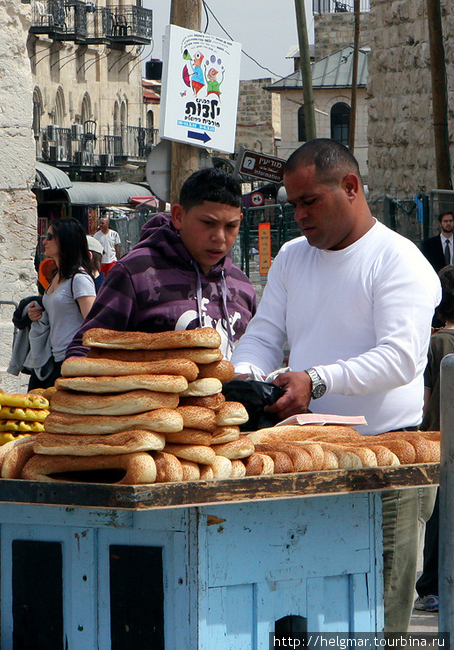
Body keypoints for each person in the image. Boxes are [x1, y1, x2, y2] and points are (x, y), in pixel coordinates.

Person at [229, 138, 441, 634]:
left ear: (350, 187)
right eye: (293, 203)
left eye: (310, 201)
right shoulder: (291, 257)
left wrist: (315, 380)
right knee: (300, 602)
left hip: (386, 462)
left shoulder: (398, 260)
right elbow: (263, 335)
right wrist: (246, 379)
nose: (299, 215)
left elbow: (401, 358)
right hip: (305, 453)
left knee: (379, 614)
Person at [67, 167, 256, 359]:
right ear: (178, 216)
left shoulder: (243, 286)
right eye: (208, 223)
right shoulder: (136, 274)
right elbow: (85, 348)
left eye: (231, 226)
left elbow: (259, 352)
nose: (220, 237)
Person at [414, 265, 454, 613]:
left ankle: (431, 587)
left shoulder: (436, 342)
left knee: (438, 517)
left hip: (438, 442)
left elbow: (423, 398)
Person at [26, 218, 96, 389]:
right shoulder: (57, 277)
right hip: (52, 359)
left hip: (72, 361)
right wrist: (33, 313)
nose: (44, 241)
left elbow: (93, 323)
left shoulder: (80, 279)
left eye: (50, 236)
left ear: (65, 240)